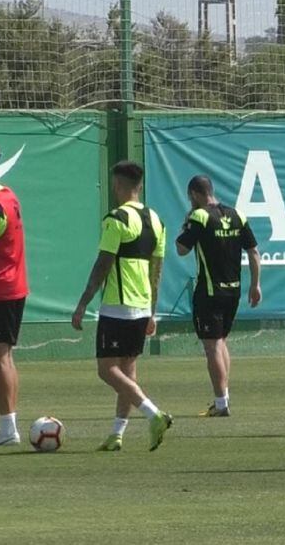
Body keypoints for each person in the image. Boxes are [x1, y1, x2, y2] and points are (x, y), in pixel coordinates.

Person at [71, 161, 173, 452]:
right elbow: (157, 270)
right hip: (141, 306)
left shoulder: (116, 219)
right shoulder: (157, 220)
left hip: (117, 305)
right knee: (128, 370)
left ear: (118, 185)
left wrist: (82, 304)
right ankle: (117, 433)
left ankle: (154, 414)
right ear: (139, 186)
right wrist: (152, 310)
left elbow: (103, 264)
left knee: (106, 370)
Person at [175, 175, 262, 417]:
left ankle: (221, 403)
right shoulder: (237, 214)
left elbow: (181, 249)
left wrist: (185, 226)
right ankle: (224, 397)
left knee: (211, 346)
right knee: (221, 341)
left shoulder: (199, 216)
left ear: (193, 194)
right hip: (233, 290)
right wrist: (255, 285)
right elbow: (254, 252)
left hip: (209, 291)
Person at [0, 182, 27, 447]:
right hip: (12, 287)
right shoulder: (8, 193)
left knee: (0, 357)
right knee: (4, 357)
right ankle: (8, 426)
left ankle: (8, 428)